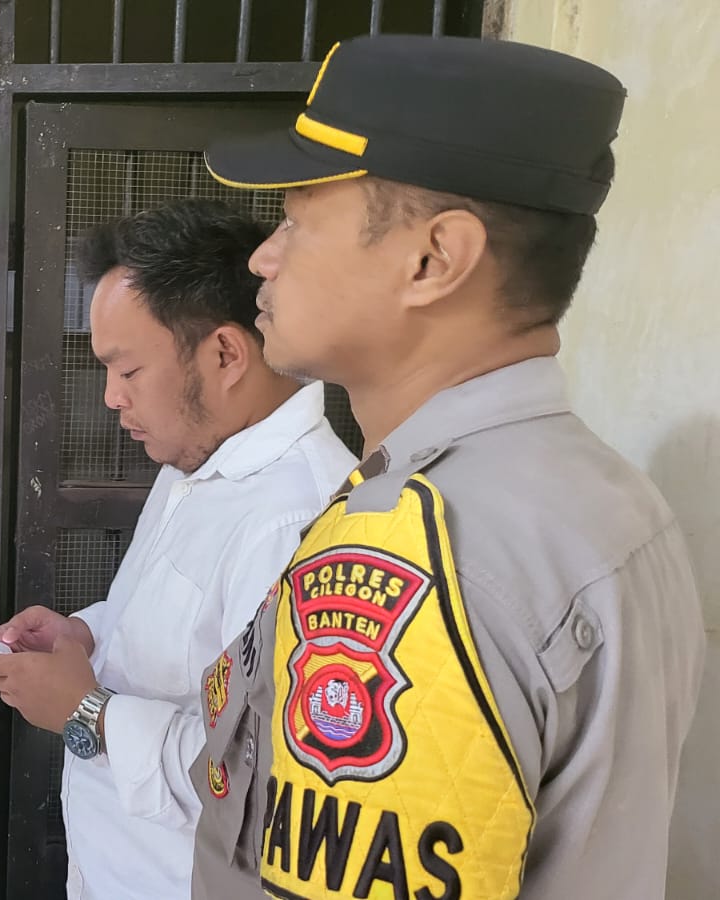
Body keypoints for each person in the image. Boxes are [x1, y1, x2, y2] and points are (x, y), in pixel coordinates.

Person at [187, 34, 706, 899]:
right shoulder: (612, 499)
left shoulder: (417, 555)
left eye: (297, 220)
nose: (262, 257)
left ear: (433, 261)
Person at [0, 199, 356, 897]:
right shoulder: (195, 459)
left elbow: (266, 783)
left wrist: (88, 712)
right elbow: (181, 630)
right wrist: (86, 633)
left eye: (128, 371)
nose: (111, 398)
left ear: (225, 354)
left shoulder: (294, 523)